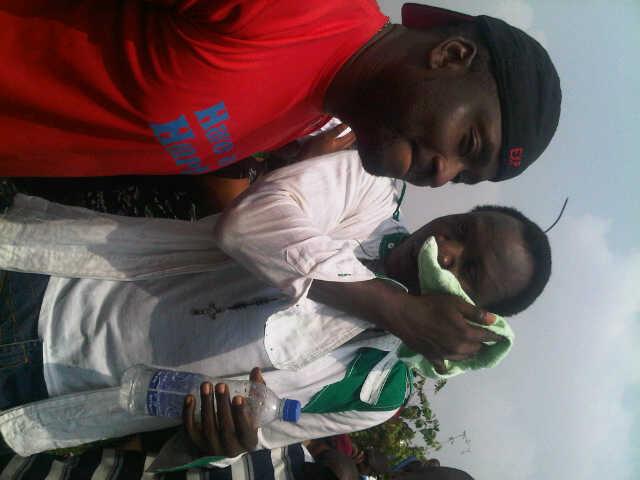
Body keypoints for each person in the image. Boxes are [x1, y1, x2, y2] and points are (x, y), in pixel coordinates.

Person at [0, 152, 551, 463]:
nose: (445, 248)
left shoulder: (376, 394)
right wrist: (396, 309)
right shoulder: (371, 196)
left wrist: (222, 442)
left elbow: (253, 439)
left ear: (476, 318)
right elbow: (248, 225)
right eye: (460, 229)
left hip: (43, 392)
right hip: (42, 280)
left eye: (468, 271)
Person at [1, 2, 560, 187]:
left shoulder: (308, 121)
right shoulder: (297, 10)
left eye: (463, 177)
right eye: (469, 143)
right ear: (452, 55)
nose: (442, 174)